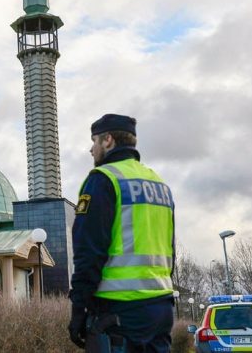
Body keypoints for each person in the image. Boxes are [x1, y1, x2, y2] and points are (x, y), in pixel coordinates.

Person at [68, 114, 175, 352]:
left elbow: (89, 250)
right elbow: (171, 249)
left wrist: (79, 308)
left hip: (119, 312)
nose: (91, 149)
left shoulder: (103, 180)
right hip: (161, 307)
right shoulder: (159, 184)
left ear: (108, 140)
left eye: (94, 141)